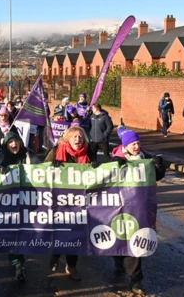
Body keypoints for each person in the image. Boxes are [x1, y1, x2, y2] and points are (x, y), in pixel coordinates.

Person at [110, 126, 166, 296]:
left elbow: (156, 176)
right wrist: (115, 167)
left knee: (135, 243)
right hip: (118, 207)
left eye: (138, 143)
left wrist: (158, 167)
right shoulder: (115, 159)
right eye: (133, 143)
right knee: (120, 240)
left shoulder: (145, 159)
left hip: (139, 208)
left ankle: (136, 280)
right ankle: (118, 258)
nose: (136, 146)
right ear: (125, 146)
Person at [44, 126, 99, 281]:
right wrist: (49, 166)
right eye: (74, 136)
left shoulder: (88, 152)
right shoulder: (56, 151)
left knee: (76, 234)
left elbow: (99, 175)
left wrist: (95, 165)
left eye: (80, 137)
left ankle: (71, 266)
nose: (78, 140)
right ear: (67, 138)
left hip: (79, 201)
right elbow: (40, 172)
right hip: (59, 200)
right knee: (59, 230)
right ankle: (55, 256)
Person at [0, 131, 39, 282]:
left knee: (25, 230)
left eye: (16, 141)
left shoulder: (28, 154)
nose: (14, 144)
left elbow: (42, 170)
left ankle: (20, 258)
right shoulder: (1, 156)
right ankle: (17, 263)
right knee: (12, 231)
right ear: (6, 144)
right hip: (8, 201)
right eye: (10, 142)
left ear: (20, 142)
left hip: (28, 199)